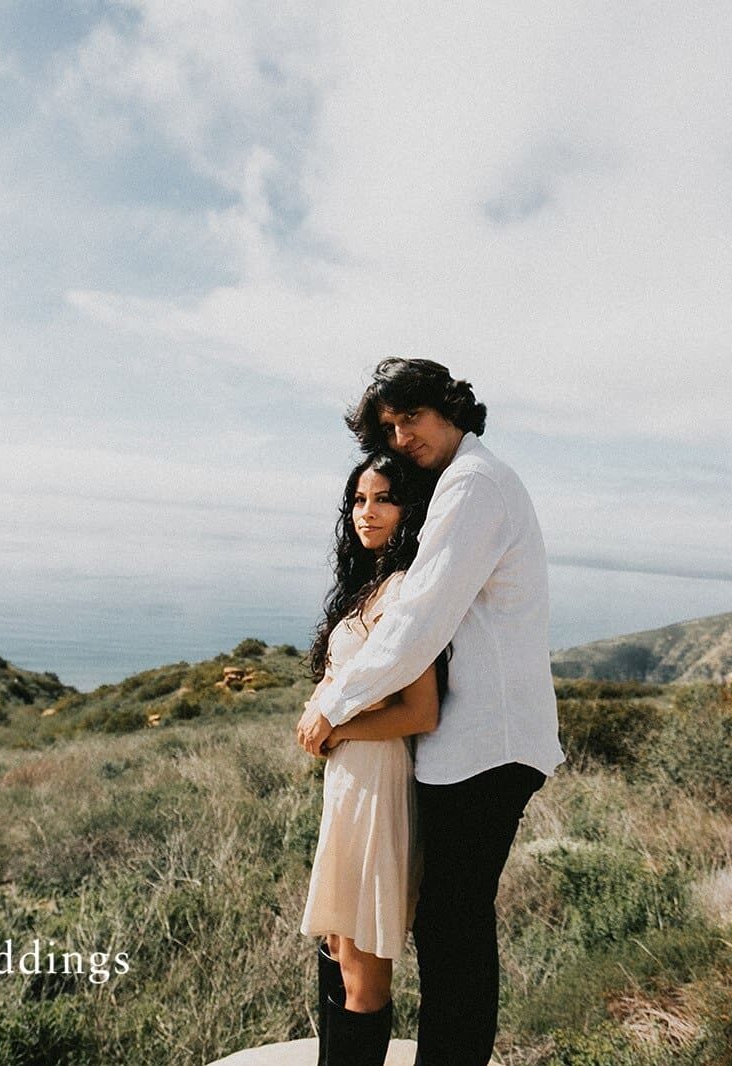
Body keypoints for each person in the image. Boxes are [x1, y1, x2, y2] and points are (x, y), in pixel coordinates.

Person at [297, 358, 565, 1066]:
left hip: (489, 744)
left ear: (451, 408)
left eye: (411, 416)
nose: (402, 434)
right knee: (445, 926)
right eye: (389, 425)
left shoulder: (474, 484)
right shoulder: (465, 483)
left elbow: (421, 617)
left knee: (453, 929)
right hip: (474, 746)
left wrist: (332, 706)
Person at [300, 450, 449, 1066]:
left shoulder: (410, 591)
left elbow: (422, 711)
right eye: (359, 500)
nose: (367, 512)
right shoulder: (372, 585)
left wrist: (341, 726)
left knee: (363, 977)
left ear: (410, 507)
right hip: (347, 782)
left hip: (376, 781)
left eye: (383, 498)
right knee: (338, 950)